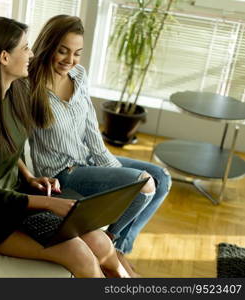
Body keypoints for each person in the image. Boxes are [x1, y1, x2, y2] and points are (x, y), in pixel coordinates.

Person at [0, 16, 130, 278]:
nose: (32, 54)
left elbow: (12, 148)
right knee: (81, 257)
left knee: (101, 243)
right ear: (4, 57)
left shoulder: (16, 91)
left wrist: (30, 177)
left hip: (17, 196)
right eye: (25, 48)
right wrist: (48, 204)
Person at [28, 15, 172, 277]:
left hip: (89, 160)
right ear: (48, 45)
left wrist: (113, 170)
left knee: (161, 178)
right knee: (145, 183)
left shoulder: (78, 75)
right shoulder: (29, 87)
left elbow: (92, 130)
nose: (69, 60)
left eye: (77, 53)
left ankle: (117, 247)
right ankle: (110, 248)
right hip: (63, 173)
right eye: (62, 50)